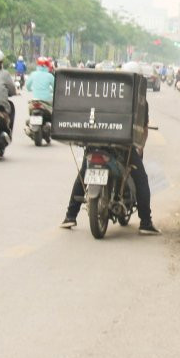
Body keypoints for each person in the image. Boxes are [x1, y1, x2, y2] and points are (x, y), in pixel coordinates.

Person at [60, 65, 159, 235]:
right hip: (123, 149)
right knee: (141, 179)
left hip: (95, 144)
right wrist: (140, 146)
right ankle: (145, 221)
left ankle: (70, 216)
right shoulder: (139, 99)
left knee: (84, 173)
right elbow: (143, 128)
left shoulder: (100, 93)